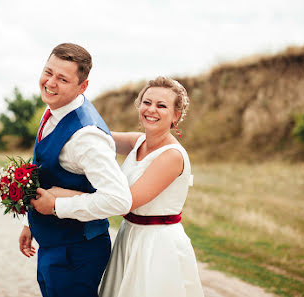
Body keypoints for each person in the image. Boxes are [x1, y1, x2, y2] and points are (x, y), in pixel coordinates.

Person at [47, 76, 205, 296]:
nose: (151, 109)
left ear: (176, 116)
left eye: (162, 105)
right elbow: (92, 139)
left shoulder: (172, 156)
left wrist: (60, 197)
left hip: (156, 246)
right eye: (147, 102)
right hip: (128, 236)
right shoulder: (138, 141)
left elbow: (125, 203)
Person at [18, 43, 132, 297]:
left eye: (63, 78)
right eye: (48, 72)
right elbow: (45, 172)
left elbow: (119, 199)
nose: (50, 83)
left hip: (77, 253)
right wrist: (30, 224)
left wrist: (58, 206)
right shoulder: (53, 109)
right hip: (54, 246)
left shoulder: (86, 136)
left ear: (83, 86)